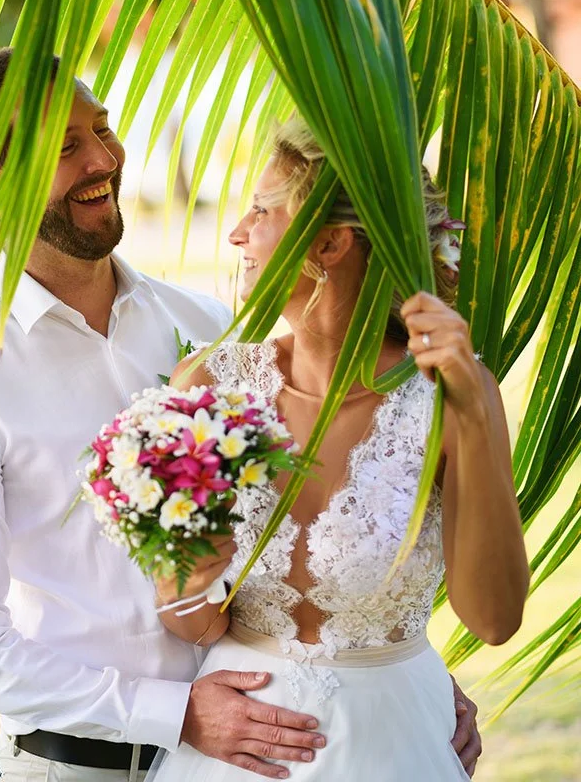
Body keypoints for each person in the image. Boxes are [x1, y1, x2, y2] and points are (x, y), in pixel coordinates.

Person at [0, 48, 484, 782]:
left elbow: (317, 532)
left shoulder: (212, 330)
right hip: (76, 766)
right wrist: (175, 715)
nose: (103, 158)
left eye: (102, 129)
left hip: (268, 746)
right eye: (65, 146)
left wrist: (391, 679)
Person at [149, 119, 530, 781]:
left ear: (328, 242)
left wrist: (471, 415)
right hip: (238, 751)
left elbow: (493, 620)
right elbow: (192, 625)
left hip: (391, 746)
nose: (237, 232)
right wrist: (185, 576)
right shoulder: (209, 386)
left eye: (261, 212)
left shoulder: (451, 395)